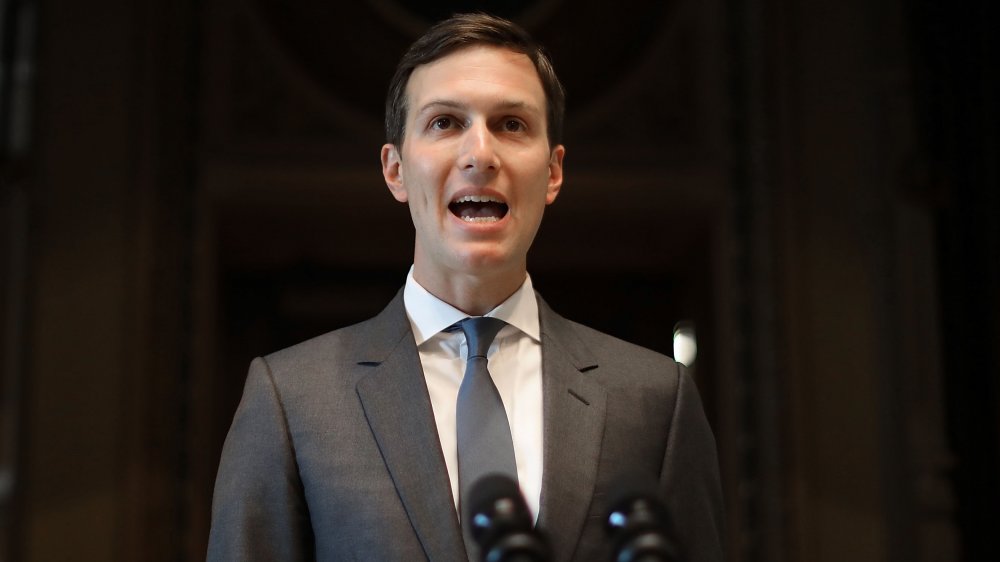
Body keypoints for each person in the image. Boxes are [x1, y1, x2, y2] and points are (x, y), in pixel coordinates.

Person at [208, 13, 724, 562]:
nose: (480, 154)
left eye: (511, 124)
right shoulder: (291, 399)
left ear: (552, 172)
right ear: (395, 170)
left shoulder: (654, 400)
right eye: (445, 123)